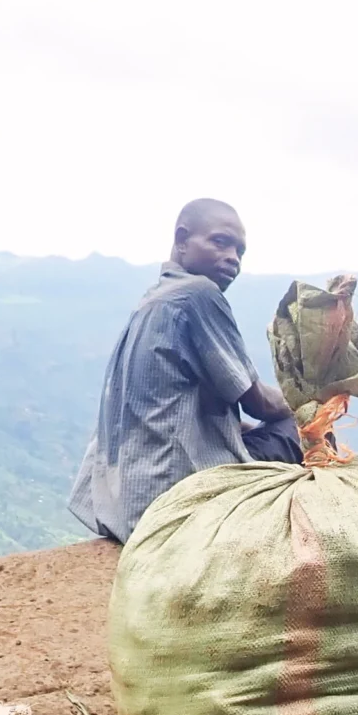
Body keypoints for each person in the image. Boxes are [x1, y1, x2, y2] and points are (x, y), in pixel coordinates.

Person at [68, 198, 302, 543]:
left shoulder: (154, 299)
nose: (233, 258)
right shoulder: (198, 295)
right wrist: (307, 403)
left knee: (264, 431)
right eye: (220, 242)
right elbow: (260, 403)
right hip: (170, 494)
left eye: (240, 251)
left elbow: (173, 410)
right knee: (299, 427)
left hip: (122, 501)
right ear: (182, 240)